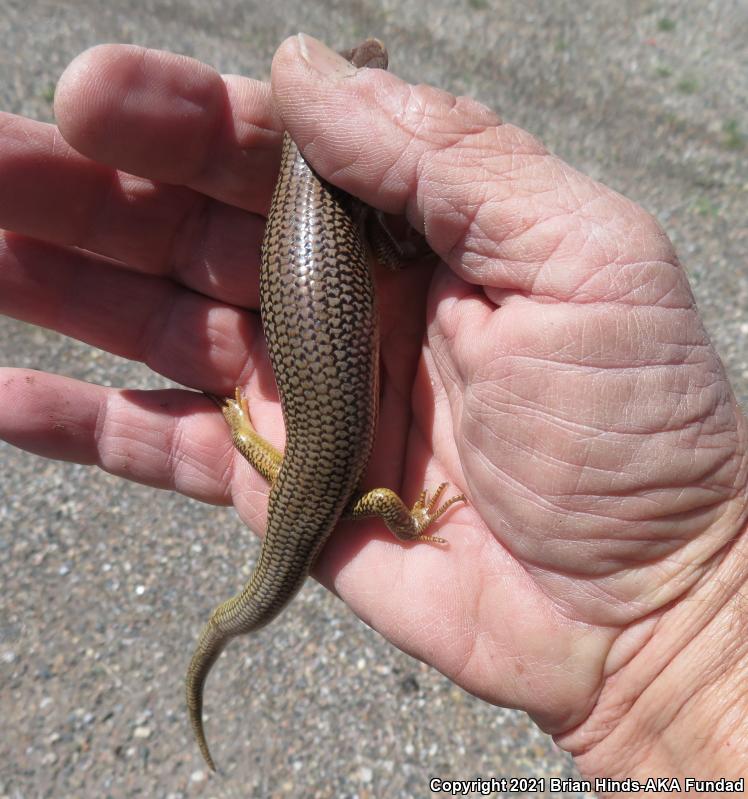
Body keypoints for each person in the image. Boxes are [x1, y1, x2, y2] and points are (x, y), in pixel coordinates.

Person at [0, 33, 745, 784]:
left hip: (313, 454)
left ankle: (229, 611)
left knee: (301, 508)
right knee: (340, 499)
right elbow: (377, 467)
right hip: (322, 460)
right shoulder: (346, 195)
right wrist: (407, 522)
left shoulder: (297, 181)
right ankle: (247, 606)